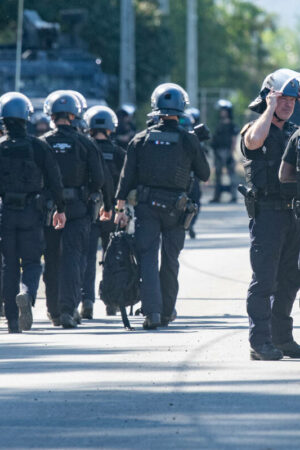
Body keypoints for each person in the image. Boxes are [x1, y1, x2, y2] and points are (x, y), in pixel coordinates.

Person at [115, 83, 210, 330]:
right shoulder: (188, 139)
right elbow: (205, 173)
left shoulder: (140, 139)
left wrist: (119, 209)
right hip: (177, 210)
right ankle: (167, 312)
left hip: (147, 207)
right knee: (170, 260)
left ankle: (153, 313)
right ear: (181, 110)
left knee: (147, 257)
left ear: (155, 108)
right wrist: (197, 147)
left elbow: (126, 178)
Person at [240, 68, 300, 360]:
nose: (289, 104)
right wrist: (270, 107)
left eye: (293, 100)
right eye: (283, 98)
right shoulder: (255, 128)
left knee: (290, 279)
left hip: (293, 215)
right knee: (265, 280)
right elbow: (253, 142)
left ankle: (282, 338)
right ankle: (259, 342)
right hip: (267, 215)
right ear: (268, 98)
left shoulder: (294, 133)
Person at [41, 91, 109, 329]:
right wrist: (87, 193)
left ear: (51, 114)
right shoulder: (86, 143)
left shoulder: (44, 142)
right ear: (74, 115)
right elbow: (99, 179)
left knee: (51, 259)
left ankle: (54, 311)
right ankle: (69, 310)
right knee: (73, 258)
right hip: (79, 209)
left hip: (49, 209)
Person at [0, 92, 66, 333]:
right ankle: (26, 293)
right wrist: (60, 208)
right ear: (26, 118)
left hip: (5, 212)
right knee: (31, 262)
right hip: (32, 211)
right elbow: (54, 180)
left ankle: (12, 322)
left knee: (8, 266)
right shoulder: (38, 146)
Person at [81, 105, 124, 319]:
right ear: (110, 127)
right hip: (113, 211)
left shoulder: (84, 149)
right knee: (112, 258)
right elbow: (126, 183)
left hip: (88, 210)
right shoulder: (118, 153)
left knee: (88, 257)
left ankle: (87, 301)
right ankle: (112, 302)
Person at [210, 100, 239, 203]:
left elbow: (234, 140)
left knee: (231, 175)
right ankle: (217, 196)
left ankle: (234, 196)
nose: (222, 112)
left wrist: (231, 153)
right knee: (218, 175)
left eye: (224, 110)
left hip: (227, 152)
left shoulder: (232, 125)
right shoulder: (218, 124)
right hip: (218, 152)